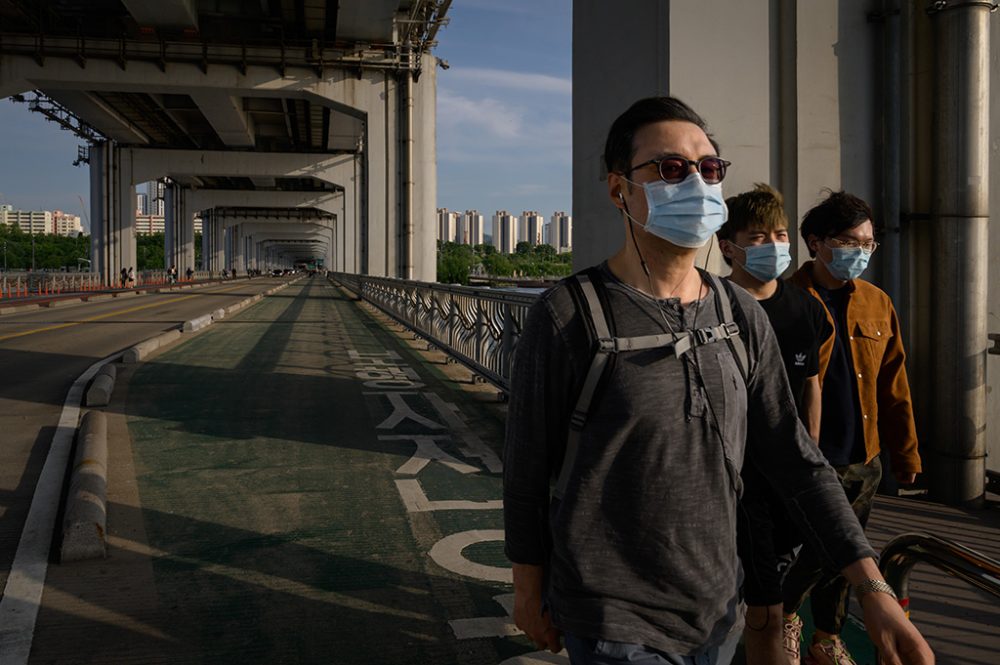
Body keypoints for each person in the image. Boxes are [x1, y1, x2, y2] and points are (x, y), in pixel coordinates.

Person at [503, 97, 933, 665]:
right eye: (671, 168)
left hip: (715, 604)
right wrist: (529, 588)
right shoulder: (569, 314)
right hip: (611, 614)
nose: (697, 183)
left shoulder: (737, 313)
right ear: (618, 190)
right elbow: (527, 466)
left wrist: (871, 585)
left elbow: (794, 454)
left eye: (708, 168)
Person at [781, 191, 922, 665]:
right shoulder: (785, 302)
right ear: (814, 243)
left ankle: (825, 636)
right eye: (847, 241)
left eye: (868, 243)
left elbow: (894, 384)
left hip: (864, 458)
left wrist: (906, 455)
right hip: (804, 458)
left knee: (845, 559)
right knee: (817, 550)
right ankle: (781, 615)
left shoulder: (877, 303)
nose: (859, 252)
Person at [716, 183, 834, 664]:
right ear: (729, 247)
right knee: (734, 592)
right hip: (724, 477)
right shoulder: (710, 306)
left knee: (770, 593)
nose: (774, 246)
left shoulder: (804, 308)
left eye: (780, 235)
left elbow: (811, 386)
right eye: (759, 237)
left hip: (781, 478)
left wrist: (810, 460)